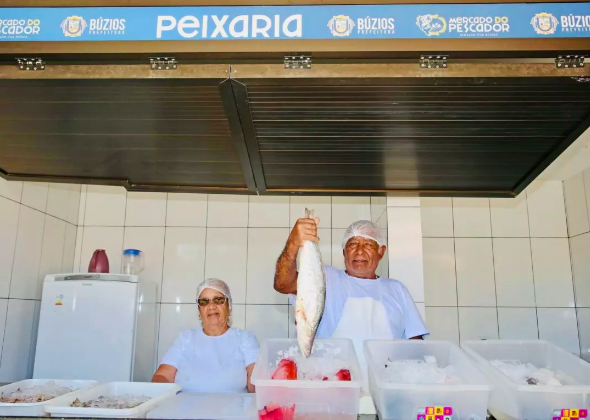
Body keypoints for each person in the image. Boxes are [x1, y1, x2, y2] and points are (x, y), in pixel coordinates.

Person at [274, 218, 428, 385]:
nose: (359, 251)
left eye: (368, 245)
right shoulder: (326, 277)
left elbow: (415, 346)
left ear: (381, 252)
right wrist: (292, 244)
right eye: (353, 244)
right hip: (331, 391)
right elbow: (283, 284)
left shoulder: (397, 290)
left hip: (385, 394)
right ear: (344, 252)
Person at [152, 278, 259, 393]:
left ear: (229, 306)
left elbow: (256, 384)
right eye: (204, 302)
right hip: (185, 410)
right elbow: (162, 376)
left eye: (218, 300)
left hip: (233, 410)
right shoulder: (185, 339)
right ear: (199, 310)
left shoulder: (245, 339)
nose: (211, 306)